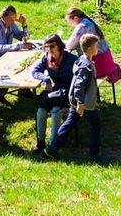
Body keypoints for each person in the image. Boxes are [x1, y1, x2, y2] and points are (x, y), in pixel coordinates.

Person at [45, 33, 109, 164]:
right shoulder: (85, 65)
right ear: (90, 48)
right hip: (85, 103)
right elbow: (79, 85)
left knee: (70, 123)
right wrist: (80, 103)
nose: (98, 48)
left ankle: (53, 146)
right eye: (96, 46)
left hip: (79, 102)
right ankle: (94, 155)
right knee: (95, 126)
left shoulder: (82, 60)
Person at [30, 33, 77, 158]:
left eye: (52, 46)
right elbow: (35, 71)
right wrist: (45, 79)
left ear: (59, 46)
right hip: (56, 92)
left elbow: (79, 80)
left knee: (56, 111)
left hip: (70, 93)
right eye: (47, 47)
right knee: (41, 110)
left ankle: (52, 145)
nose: (50, 49)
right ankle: (40, 142)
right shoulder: (47, 58)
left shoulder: (71, 59)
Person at [64, 7, 121, 85]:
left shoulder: (81, 26)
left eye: (70, 22)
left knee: (70, 68)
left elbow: (69, 46)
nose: (70, 24)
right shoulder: (91, 22)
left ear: (75, 18)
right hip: (107, 62)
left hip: (97, 65)